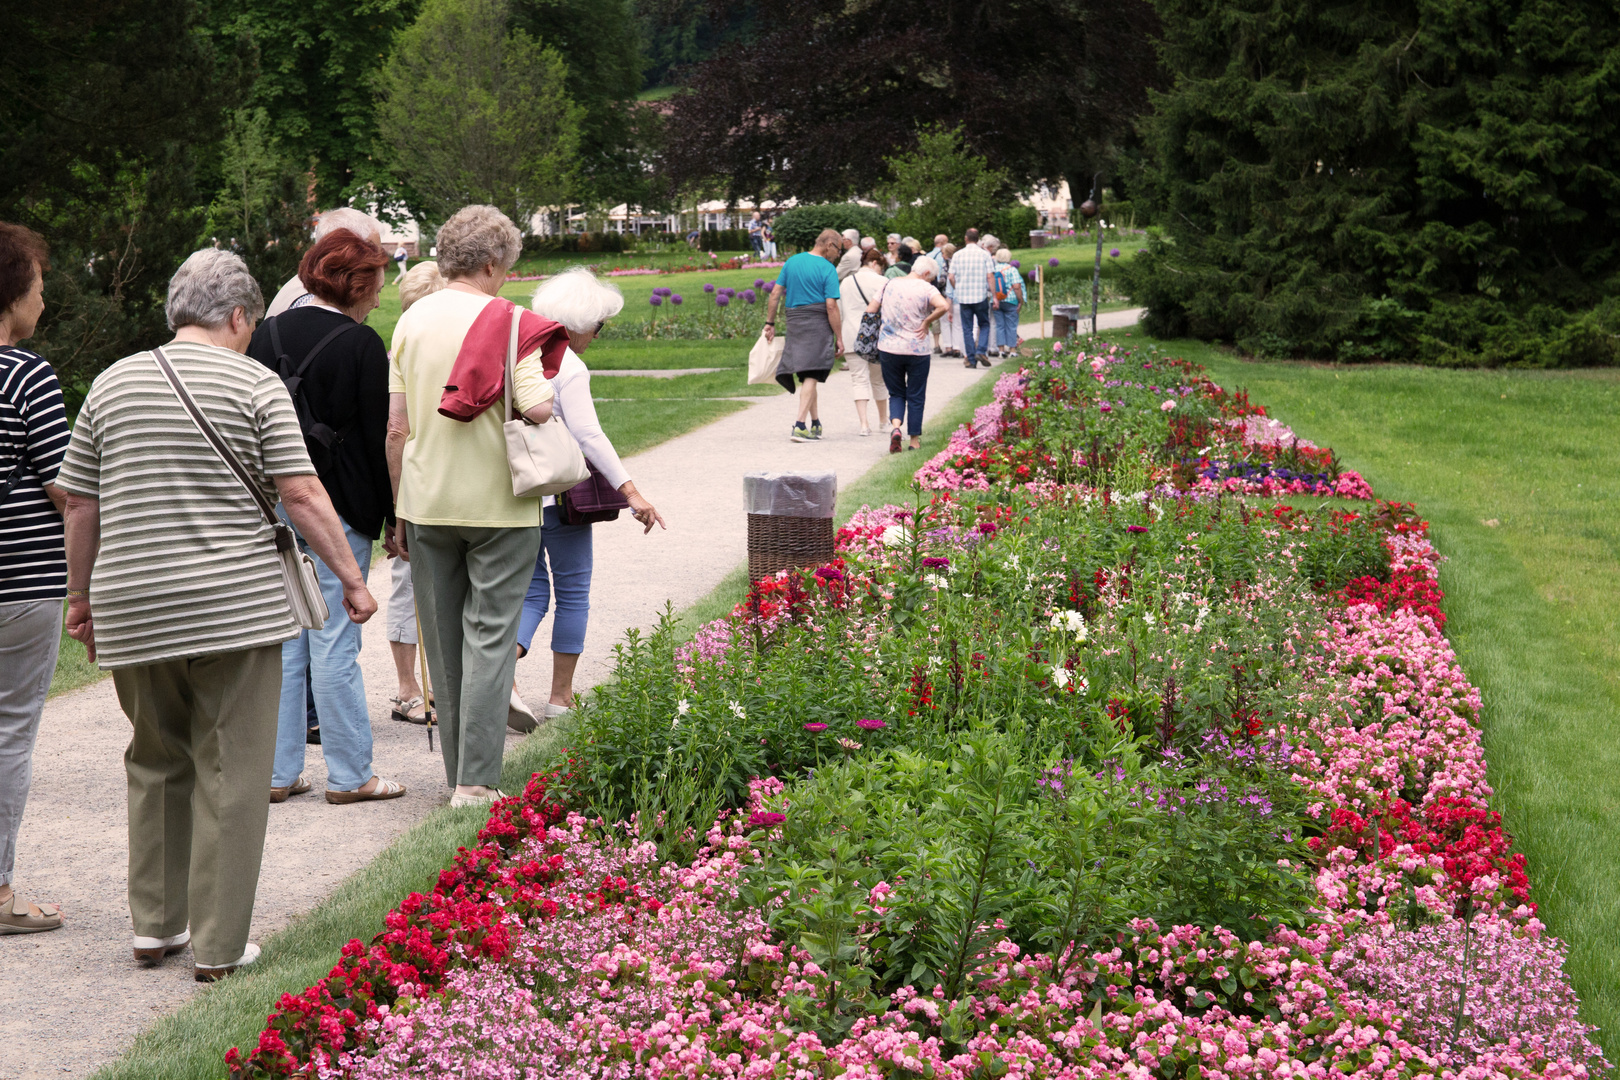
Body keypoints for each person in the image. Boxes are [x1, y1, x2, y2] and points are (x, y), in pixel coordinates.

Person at [57, 248, 377, 979]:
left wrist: (82, 597)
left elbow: (79, 503)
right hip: (235, 607)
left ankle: (153, 926)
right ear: (238, 315)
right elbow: (300, 494)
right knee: (231, 769)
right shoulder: (254, 382)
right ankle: (220, 946)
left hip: (134, 604)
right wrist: (352, 581)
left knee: (155, 758)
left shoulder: (111, 383)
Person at [387, 205, 560, 809]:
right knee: (489, 637)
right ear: (490, 264)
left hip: (428, 499)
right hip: (500, 504)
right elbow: (537, 408)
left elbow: (396, 429)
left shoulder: (409, 322)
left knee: (442, 641)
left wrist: (400, 509)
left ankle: (459, 771)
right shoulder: (512, 322)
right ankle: (476, 782)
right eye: (506, 267)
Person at [247, 231, 406, 806]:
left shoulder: (267, 334)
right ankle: (350, 774)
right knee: (336, 643)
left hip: (278, 506)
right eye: (376, 283)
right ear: (356, 283)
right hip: (342, 508)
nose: (380, 296)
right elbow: (378, 436)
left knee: (289, 642)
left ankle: (278, 771)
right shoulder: (362, 343)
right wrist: (395, 517)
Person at [514, 268, 668, 724]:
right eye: (598, 326)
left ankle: (505, 675)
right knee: (573, 591)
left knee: (531, 591)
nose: (597, 336)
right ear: (579, 323)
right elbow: (590, 436)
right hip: (562, 494)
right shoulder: (570, 365)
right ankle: (560, 699)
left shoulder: (518, 355)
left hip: (518, 492)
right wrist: (632, 491)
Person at [0, 223, 67, 935]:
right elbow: (64, 487)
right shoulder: (26, 374)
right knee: (10, 732)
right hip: (20, 581)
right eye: (39, 290)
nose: (42, 303)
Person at [383, 261, 448, 727]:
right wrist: (395, 507)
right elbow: (394, 430)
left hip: (432, 479)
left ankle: (434, 686)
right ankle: (409, 687)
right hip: (416, 481)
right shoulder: (400, 354)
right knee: (409, 584)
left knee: (424, 586)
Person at [763, 228, 844, 443]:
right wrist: (840, 337)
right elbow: (831, 306)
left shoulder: (792, 262)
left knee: (810, 373)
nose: (838, 255)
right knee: (812, 374)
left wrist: (769, 323)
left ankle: (815, 423)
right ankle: (799, 425)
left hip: (795, 322)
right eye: (839, 250)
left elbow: (775, 294)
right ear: (829, 245)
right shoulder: (827, 268)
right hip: (817, 322)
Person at [868, 258, 949, 454]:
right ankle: (914, 440)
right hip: (917, 349)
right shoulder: (926, 288)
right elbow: (943, 306)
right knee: (916, 394)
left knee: (895, 392)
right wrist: (927, 321)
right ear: (927, 274)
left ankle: (896, 428)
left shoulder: (889, 284)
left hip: (889, 348)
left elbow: (871, 309)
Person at [266, 208, 384, 317]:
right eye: (372, 252)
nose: (378, 262)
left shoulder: (316, 287)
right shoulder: (313, 300)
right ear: (348, 251)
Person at [839, 246, 889, 436]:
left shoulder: (846, 282)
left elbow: (841, 310)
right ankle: (883, 422)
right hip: (876, 336)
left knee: (858, 380)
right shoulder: (882, 281)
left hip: (852, 334)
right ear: (875, 263)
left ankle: (864, 424)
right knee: (879, 381)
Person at [949, 228, 996, 369]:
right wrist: (994, 295)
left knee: (967, 328)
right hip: (980, 295)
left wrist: (957, 288)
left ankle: (970, 359)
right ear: (978, 239)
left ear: (965, 238)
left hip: (963, 297)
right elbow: (990, 276)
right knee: (984, 324)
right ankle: (981, 350)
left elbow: (951, 276)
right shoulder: (984, 254)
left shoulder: (957, 255)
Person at [990, 248, 1027, 359]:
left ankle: (1001, 351)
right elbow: (1016, 286)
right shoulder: (1012, 270)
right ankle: (1012, 350)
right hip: (1010, 300)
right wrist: (1020, 300)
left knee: (1000, 326)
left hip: (996, 300)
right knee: (1011, 325)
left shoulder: (993, 269)